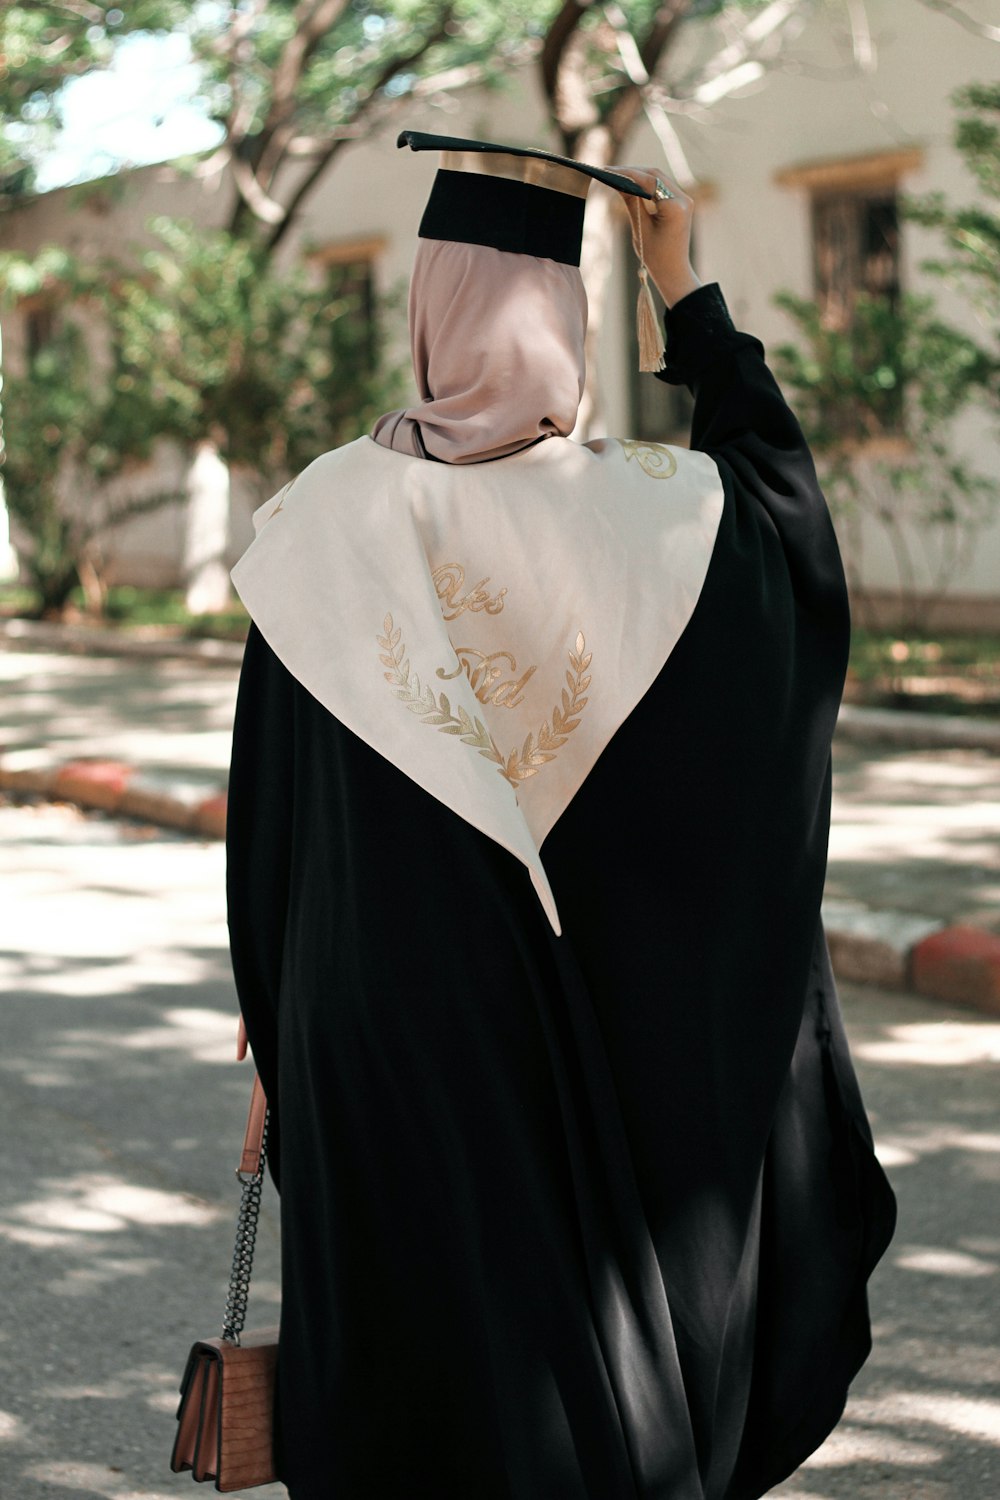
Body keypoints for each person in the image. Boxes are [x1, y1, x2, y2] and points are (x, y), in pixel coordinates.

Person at [226, 132, 897, 1500]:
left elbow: (276, 833)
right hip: (612, 1031)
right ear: (567, 324)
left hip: (388, 1045)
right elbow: (787, 509)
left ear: (428, 309)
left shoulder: (326, 519)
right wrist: (682, 287)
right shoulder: (672, 518)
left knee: (416, 1388)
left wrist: (272, 1027)